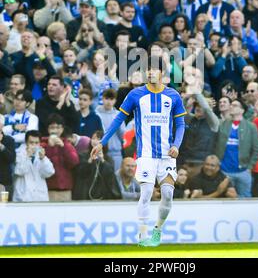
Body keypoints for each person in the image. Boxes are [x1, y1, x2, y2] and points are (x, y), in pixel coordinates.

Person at [91, 57, 186, 247]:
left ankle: (157, 230)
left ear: (162, 73)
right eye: (147, 70)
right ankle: (143, 235)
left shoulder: (173, 96)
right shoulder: (136, 95)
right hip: (146, 155)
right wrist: (102, 142)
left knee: (167, 194)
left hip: (167, 155)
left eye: (153, 70)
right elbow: (118, 119)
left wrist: (176, 144)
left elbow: (181, 124)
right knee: (147, 191)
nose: (150, 73)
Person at [215, 98, 258, 197]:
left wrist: (249, 167)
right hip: (224, 170)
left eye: (235, 105)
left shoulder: (251, 127)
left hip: (243, 171)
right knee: (223, 199)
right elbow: (215, 143)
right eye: (231, 105)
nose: (231, 107)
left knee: (246, 200)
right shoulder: (222, 124)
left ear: (242, 110)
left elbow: (256, 149)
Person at [72, 130, 121, 200]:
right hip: (85, 193)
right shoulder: (82, 155)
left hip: (102, 194)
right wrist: (90, 160)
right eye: (93, 138)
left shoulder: (108, 159)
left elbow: (110, 177)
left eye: (98, 139)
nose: (95, 141)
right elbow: (80, 172)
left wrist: (103, 161)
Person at [41, 114, 79, 202]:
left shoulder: (67, 145)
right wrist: (50, 147)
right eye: (52, 127)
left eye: (58, 127)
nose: (55, 130)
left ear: (62, 129)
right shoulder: (43, 144)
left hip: (64, 189)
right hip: (46, 189)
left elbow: (74, 162)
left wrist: (63, 146)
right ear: (48, 129)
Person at [13, 130, 55, 202]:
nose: (34, 145)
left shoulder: (41, 155)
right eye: (31, 142)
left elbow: (50, 172)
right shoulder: (18, 154)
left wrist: (43, 159)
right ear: (26, 143)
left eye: (36, 143)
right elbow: (19, 171)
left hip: (39, 196)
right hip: (23, 196)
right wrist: (27, 157)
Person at [96, 88, 125, 172]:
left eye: (111, 99)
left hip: (115, 153)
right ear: (102, 98)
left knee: (116, 178)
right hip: (99, 152)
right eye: (106, 98)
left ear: (115, 100)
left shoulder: (119, 115)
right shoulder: (96, 114)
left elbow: (123, 136)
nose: (109, 102)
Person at [0, 114, 16, 200]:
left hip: (5, 180)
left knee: (6, 208)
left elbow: (11, 159)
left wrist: (1, 146)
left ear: (2, 125)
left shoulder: (9, 140)